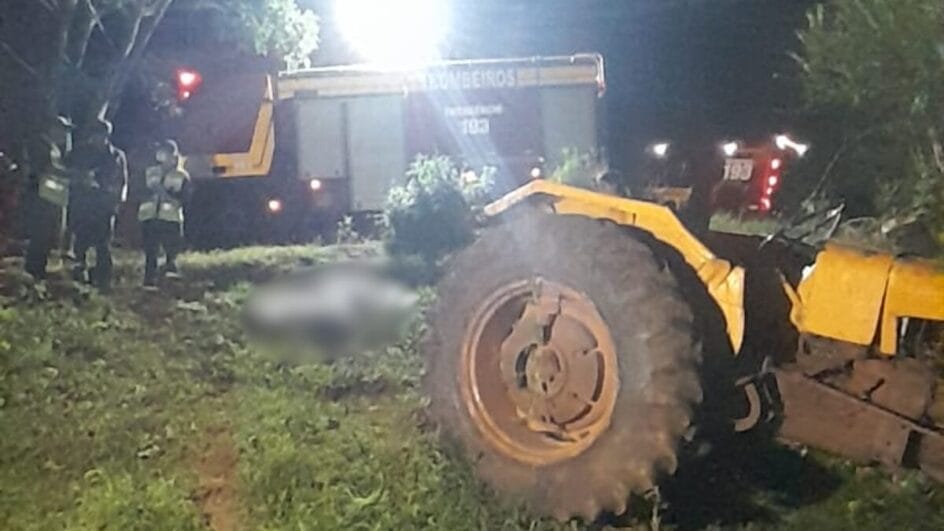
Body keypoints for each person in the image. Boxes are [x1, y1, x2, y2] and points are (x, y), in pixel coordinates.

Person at [68, 119, 128, 291]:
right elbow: (68, 171)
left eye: (101, 135)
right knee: (81, 242)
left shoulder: (116, 155)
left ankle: (103, 282)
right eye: (94, 135)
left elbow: (122, 181)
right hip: (84, 204)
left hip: (105, 206)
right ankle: (79, 278)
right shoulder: (80, 153)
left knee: (103, 244)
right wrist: (82, 179)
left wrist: (117, 201)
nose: (97, 139)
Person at [24, 115, 74, 281]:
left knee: (46, 240)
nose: (64, 134)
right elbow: (46, 170)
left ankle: (38, 273)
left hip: (52, 199)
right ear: (53, 128)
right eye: (62, 130)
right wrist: (74, 175)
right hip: (42, 201)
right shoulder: (43, 146)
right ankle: (32, 273)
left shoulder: (57, 149)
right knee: (39, 238)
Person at [138, 139, 190, 289]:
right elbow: (138, 191)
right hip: (149, 218)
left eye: (164, 152)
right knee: (150, 254)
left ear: (173, 155)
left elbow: (185, 199)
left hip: (170, 220)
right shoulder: (150, 172)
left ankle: (169, 287)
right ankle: (148, 284)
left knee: (170, 255)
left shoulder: (181, 176)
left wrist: (166, 194)